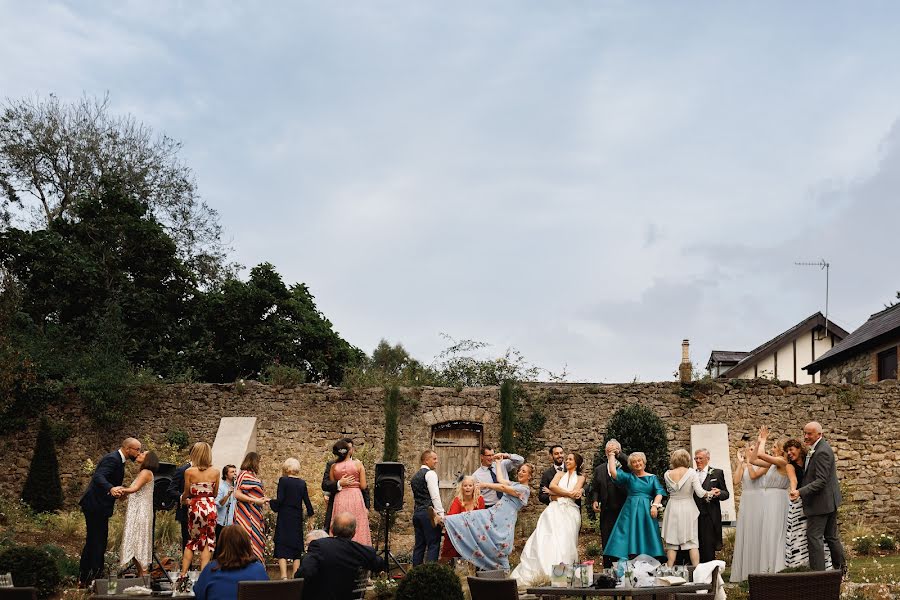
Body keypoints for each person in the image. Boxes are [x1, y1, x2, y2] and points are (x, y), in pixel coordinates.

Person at [444, 461, 534, 571]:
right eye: (519, 470)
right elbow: (500, 480)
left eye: (523, 471)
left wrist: (485, 485)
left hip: (504, 518)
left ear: (529, 476)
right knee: (472, 516)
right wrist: (498, 463)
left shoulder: (524, 490)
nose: (520, 472)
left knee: (499, 543)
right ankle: (444, 520)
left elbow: (503, 487)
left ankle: (505, 571)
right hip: (495, 513)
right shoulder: (516, 484)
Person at [512, 453, 585, 584]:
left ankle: (562, 578)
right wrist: (567, 494)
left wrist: (558, 493)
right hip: (554, 510)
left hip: (571, 512)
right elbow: (553, 486)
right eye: (566, 458)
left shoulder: (581, 477)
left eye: (570, 459)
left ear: (577, 462)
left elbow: (576, 491)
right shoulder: (559, 474)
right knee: (547, 539)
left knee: (566, 542)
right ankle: (545, 574)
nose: (567, 461)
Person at [79, 437, 141, 585]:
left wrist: (117, 493)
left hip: (99, 506)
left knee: (96, 541)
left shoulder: (119, 460)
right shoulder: (113, 459)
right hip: (95, 506)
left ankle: (87, 578)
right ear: (127, 449)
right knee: (97, 542)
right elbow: (98, 477)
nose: (139, 453)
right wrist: (111, 488)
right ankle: (94, 578)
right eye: (137, 450)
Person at [790, 421, 846, 573]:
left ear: (819, 434)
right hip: (828, 501)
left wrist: (800, 491)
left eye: (809, 434)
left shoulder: (822, 451)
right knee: (831, 537)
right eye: (805, 433)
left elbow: (821, 481)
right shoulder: (818, 448)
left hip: (821, 503)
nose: (805, 436)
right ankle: (841, 570)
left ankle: (818, 576)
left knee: (814, 538)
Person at [298, 512, 388, 600]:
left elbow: (305, 572)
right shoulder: (365, 551)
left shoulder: (319, 546)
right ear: (354, 532)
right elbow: (379, 564)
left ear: (332, 529)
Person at [602, 450, 666, 562]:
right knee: (628, 533)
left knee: (646, 533)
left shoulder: (652, 478)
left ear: (644, 462)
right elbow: (613, 472)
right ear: (631, 465)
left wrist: (655, 506)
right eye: (634, 462)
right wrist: (611, 455)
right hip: (630, 510)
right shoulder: (629, 477)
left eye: (639, 461)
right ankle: (630, 559)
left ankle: (648, 560)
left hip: (647, 510)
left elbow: (659, 492)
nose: (637, 463)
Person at [779, 439, 832, 569]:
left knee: (818, 536)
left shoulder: (810, 460)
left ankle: (825, 565)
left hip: (816, 501)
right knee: (800, 535)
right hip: (799, 501)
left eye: (791, 449)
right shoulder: (790, 466)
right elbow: (793, 480)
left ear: (799, 449)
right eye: (787, 451)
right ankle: (801, 565)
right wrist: (793, 491)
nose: (789, 453)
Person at [749, 427, 791, 574]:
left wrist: (764, 440)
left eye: (774, 447)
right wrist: (758, 441)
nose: (772, 449)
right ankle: (768, 567)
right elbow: (753, 459)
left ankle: (777, 567)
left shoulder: (781, 461)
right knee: (768, 532)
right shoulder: (774, 463)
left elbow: (761, 454)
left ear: (781, 450)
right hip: (770, 500)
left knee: (775, 532)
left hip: (778, 500)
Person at [192, 524, 269, 600]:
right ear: (246, 544)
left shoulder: (210, 570)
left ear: (221, 544)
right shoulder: (258, 570)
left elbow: (199, 595)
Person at [729, 441, 770, 582]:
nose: (751, 451)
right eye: (750, 449)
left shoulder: (765, 465)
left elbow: (753, 476)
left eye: (754, 449)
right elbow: (735, 481)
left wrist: (749, 461)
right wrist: (741, 464)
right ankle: (745, 572)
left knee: (758, 531)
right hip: (747, 499)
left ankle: (760, 570)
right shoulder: (746, 464)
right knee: (747, 531)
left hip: (759, 499)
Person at [660, 449, 708, 567]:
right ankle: (697, 571)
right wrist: (710, 493)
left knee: (671, 543)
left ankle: (669, 569)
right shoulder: (692, 473)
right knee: (692, 542)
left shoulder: (667, 474)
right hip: (688, 508)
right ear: (687, 459)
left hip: (672, 508)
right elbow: (700, 493)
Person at [180, 442, 220, 578]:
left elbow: (187, 493)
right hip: (209, 507)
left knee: (192, 540)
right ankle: (204, 575)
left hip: (195, 507)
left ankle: (183, 574)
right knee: (208, 540)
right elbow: (214, 493)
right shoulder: (215, 472)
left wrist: (183, 499)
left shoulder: (189, 471)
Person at [271, 457, 315, 579]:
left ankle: (284, 576)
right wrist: (311, 516)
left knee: (281, 544)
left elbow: (280, 500)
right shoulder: (302, 483)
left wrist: (270, 502)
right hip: (296, 517)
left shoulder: (283, 481)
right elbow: (307, 502)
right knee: (296, 547)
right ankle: (295, 577)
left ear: (286, 468)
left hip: (285, 516)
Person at [119, 450, 160, 577]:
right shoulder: (144, 473)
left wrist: (120, 490)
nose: (139, 454)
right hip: (139, 511)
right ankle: (141, 575)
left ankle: (143, 575)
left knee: (139, 542)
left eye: (143, 454)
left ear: (148, 459)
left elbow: (134, 489)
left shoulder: (145, 472)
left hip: (140, 512)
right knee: (136, 544)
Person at [590, 439, 630, 568]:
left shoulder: (627, 465)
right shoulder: (599, 469)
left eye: (614, 449)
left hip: (624, 508)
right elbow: (595, 487)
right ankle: (608, 568)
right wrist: (595, 500)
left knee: (624, 539)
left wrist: (619, 455)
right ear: (605, 452)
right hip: (607, 510)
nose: (611, 452)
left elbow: (632, 465)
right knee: (607, 539)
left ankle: (625, 568)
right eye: (609, 449)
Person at [321, 438, 371, 533]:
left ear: (353, 449)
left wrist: (367, 506)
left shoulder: (337, 466)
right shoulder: (333, 464)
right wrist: (339, 483)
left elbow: (365, 489)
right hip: (341, 499)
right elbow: (325, 484)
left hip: (355, 501)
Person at [692, 447, 731, 563]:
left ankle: (709, 576)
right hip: (693, 516)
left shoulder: (717, 473)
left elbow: (726, 493)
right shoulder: (691, 474)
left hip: (710, 516)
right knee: (694, 546)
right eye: (696, 458)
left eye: (700, 458)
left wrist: (719, 493)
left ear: (707, 459)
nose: (698, 461)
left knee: (709, 547)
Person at [410, 449, 445, 565]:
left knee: (419, 546)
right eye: (434, 458)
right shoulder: (430, 474)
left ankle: (415, 576)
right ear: (426, 460)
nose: (437, 461)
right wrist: (441, 515)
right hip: (429, 514)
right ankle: (430, 576)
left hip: (417, 514)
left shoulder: (415, 477)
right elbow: (435, 496)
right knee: (433, 544)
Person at [439, 476, 485, 562]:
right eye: (465, 486)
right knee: (450, 534)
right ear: (462, 487)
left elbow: (480, 518)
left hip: (473, 532)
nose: (467, 488)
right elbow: (452, 516)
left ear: (474, 487)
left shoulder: (480, 499)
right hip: (459, 532)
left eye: (470, 485)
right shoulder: (458, 500)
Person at [234, 452, 269, 563]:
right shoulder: (244, 475)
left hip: (255, 513)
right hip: (245, 513)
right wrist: (255, 500)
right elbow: (237, 494)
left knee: (256, 539)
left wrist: (262, 500)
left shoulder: (252, 475)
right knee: (248, 539)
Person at [167, 446, 195, 550]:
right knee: (187, 542)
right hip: (186, 511)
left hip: (202, 512)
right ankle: (187, 565)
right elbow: (170, 490)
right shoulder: (182, 470)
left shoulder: (207, 471)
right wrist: (183, 498)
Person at [214, 465, 237, 559]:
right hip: (222, 523)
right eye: (232, 472)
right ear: (226, 474)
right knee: (220, 548)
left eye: (235, 471)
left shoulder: (237, 486)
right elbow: (218, 504)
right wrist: (228, 494)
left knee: (233, 548)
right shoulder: (221, 487)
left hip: (234, 522)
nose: (235, 473)